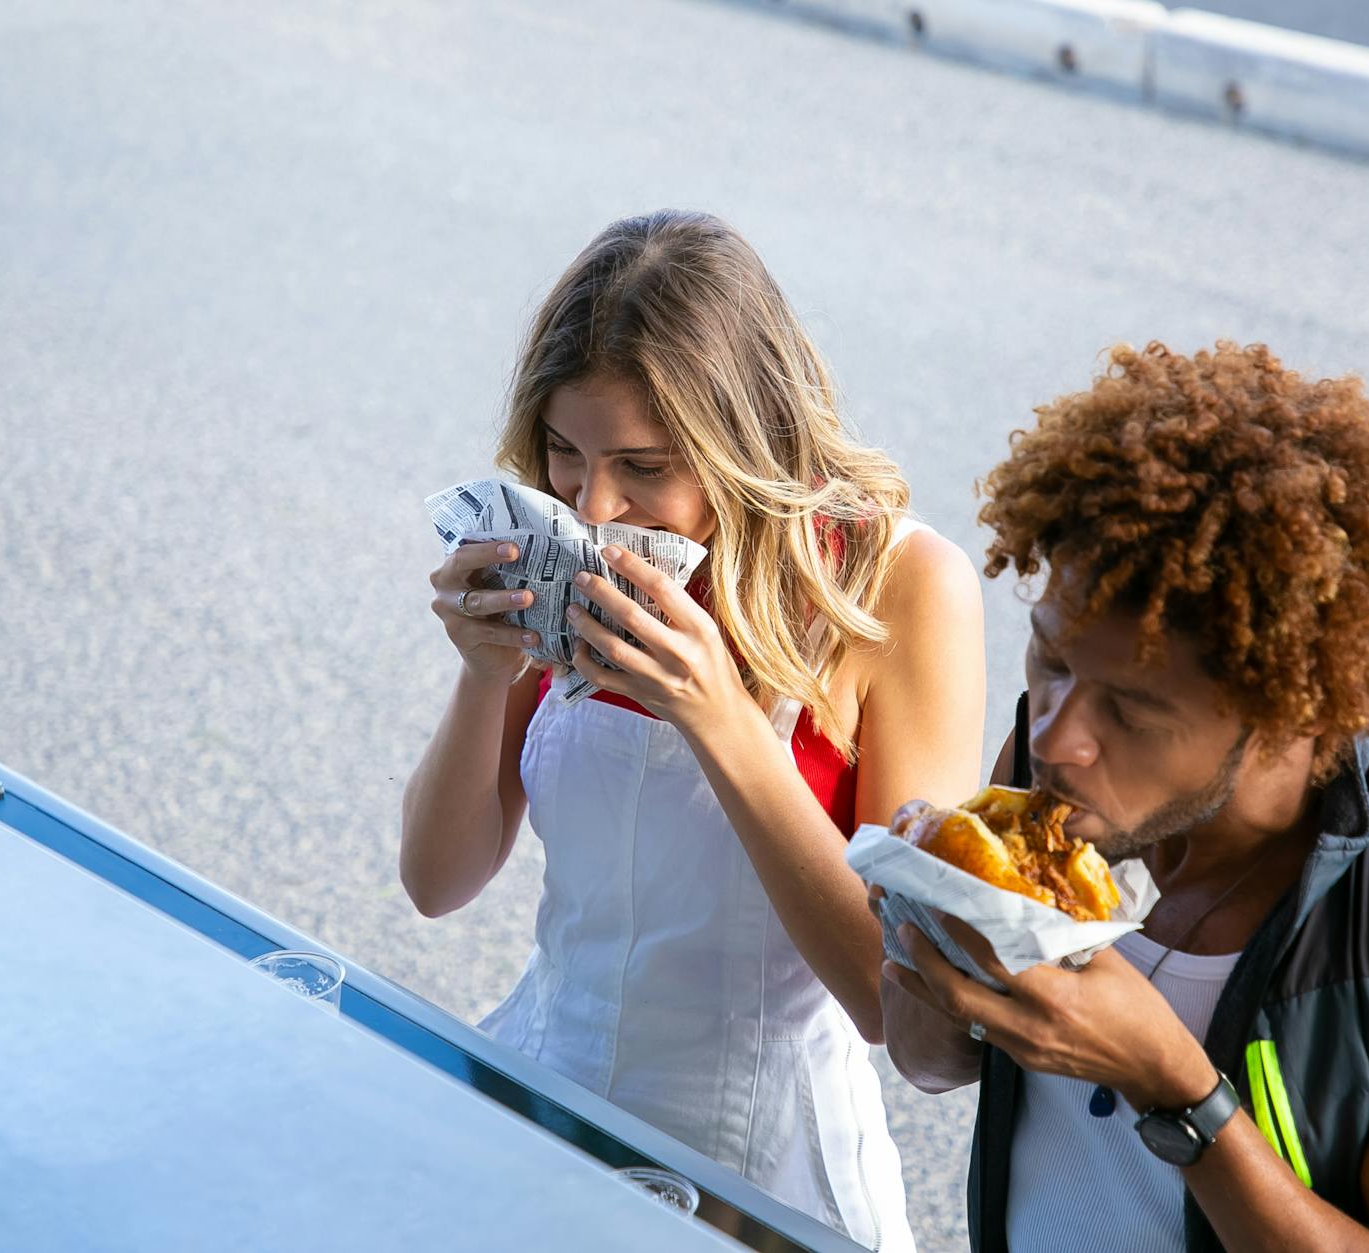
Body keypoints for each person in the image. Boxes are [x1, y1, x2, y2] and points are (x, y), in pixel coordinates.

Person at [877, 342, 1369, 1252]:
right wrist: (937, 979)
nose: (1055, 735)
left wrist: (1179, 1093)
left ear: (1292, 706)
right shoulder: (1061, 780)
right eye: (1050, 658)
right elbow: (929, 1059)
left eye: (1132, 708)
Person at [399, 210, 985, 1250]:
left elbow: (894, 1007)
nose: (596, 502)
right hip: (544, 1107)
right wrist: (481, 678)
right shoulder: (561, 545)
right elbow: (435, 882)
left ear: (745, 443)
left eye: (644, 466)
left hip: (763, 1178)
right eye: (564, 454)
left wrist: (721, 718)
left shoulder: (901, 585)